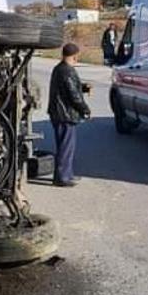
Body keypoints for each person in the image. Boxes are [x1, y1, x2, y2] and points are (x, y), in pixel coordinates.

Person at [48, 42, 91, 187]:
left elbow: (68, 89)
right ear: (75, 56)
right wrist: (84, 109)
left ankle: (66, 173)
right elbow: (73, 95)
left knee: (64, 146)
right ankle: (63, 177)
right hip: (65, 114)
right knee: (66, 147)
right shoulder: (68, 71)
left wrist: (83, 87)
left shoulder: (59, 68)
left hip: (58, 112)